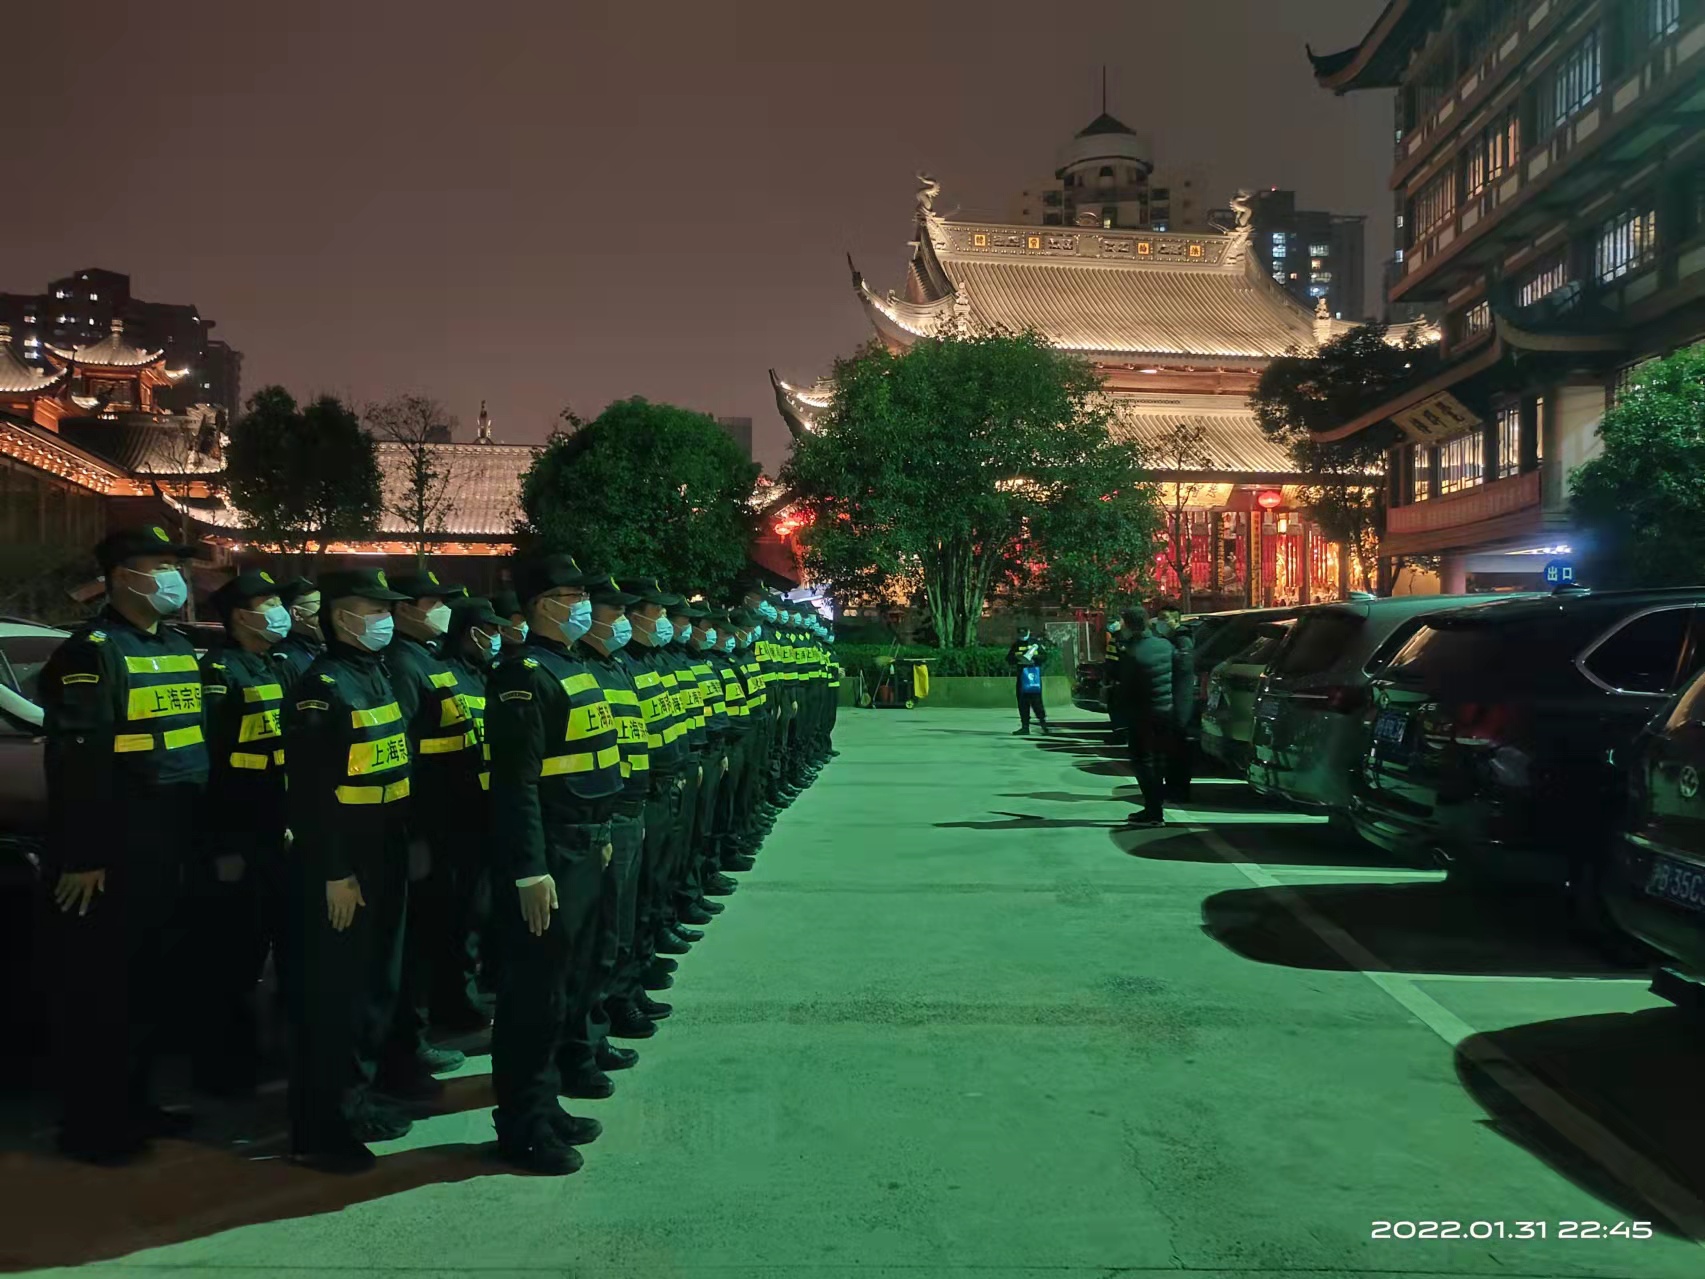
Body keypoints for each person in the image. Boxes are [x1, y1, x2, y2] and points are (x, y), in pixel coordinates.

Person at [37, 525, 208, 1164]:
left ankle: (136, 1105)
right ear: (121, 577)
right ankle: (92, 1125)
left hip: (170, 837)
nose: (174, 578)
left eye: (175, 565)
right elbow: (78, 762)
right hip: (117, 845)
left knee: (150, 985)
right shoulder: (93, 653)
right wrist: (84, 855)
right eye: (159, 565)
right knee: (102, 991)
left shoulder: (177, 646)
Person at [485, 553, 616, 1175]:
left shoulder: (574, 666)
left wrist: (603, 830)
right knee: (532, 994)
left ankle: (546, 1102)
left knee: (565, 983)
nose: (584, 606)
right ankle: (522, 1124)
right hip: (552, 854)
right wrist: (529, 869)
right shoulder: (523, 675)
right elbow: (516, 783)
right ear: (541, 605)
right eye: (572, 596)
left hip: (584, 842)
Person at [281, 567, 415, 1173]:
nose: (385, 618)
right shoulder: (323, 687)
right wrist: (334, 871)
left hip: (384, 852)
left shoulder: (375, 674)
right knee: (334, 995)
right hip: (343, 863)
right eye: (373, 608)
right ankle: (320, 1128)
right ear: (341, 616)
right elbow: (310, 794)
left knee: (373, 987)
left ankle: (355, 1102)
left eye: (387, 608)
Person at [193, 568, 294, 1098]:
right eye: (267, 604)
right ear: (239, 616)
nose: (279, 612)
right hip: (240, 834)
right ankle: (224, 1067)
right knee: (232, 957)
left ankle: (269, 1049)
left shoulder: (276, 665)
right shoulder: (220, 672)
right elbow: (209, 766)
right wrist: (222, 845)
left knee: (278, 947)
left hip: (277, 828)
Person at [376, 570, 475, 1099]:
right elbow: (403, 753)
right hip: (422, 826)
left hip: (448, 822)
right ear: (405, 609)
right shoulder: (400, 665)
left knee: (434, 934)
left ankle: (418, 1035)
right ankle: (403, 1051)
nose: (442, 611)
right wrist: (412, 832)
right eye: (433, 602)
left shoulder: (427, 659)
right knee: (412, 943)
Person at [570, 575, 648, 1093]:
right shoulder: (576, 673)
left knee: (621, 924)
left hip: (630, 807)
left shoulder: (616, 666)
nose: (620, 620)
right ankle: (588, 1036)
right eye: (611, 611)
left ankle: (612, 1009)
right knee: (597, 938)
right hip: (598, 819)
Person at [619, 579, 691, 1035]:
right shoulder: (620, 666)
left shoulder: (650, 661)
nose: (663, 622)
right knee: (627, 904)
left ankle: (640, 968)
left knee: (653, 883)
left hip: (661, 785)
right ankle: (621, 992)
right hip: (628, 803)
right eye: (658, 613)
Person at [434, 594, 509, 1029]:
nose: (496, 638)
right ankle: (453, 1001)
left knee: (478, 910)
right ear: (468, 632)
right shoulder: (444, 676)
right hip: (451, 815)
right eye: (490, 630)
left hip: (483, 809)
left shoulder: (484, 675)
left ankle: (471, 988)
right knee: (456, 915)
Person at [1113, 608, 1174, 827]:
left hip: (1142, 714)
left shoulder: (1132, 652)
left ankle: (1153, 812)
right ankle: (1155, 808)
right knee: (1159, 761)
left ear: (1129, 625)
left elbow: (1126, 686)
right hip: (1166, 710)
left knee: (1142, 761)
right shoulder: (1165, 645)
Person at [1152, 600, 1196, 803]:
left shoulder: (1182, 639)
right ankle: (1171, 787)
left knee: (1178, 748)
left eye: (1165, 619)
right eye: (1159, 618)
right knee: (1169, 747)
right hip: (1170, 699)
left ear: (1176, 620)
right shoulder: (1169, 640)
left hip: (1179, 700)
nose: (1160, 622)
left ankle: (1179, 790)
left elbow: (1183, 665)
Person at [276, 578, 325, 683]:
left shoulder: (321, 652)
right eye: (319, 603)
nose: (327, 611)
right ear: (297, 613)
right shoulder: (285, 661)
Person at [1006, 627, 1051, 736]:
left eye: (1024, 633)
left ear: (1029, 632)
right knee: (1023, 702)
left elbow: (1044, 657)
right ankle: (1025, 727)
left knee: (1037, 702)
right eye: (1020, 634)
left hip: (1033, 676)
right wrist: (1018, 658)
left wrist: (1034, 657)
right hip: (1022, 676)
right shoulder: (1016, 644)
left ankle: (1044, 725)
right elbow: (1009, 659)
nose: (1022, 636)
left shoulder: (1035, 643)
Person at [1103, 614, 1127, 746]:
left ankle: (1119, 735)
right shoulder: (1135, 637)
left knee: (1116, 709)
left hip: (1118, 682)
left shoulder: (1116, 638)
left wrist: (1109, 680)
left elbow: (1111, 663)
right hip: (1132, 680)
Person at [492, 589, 529, 658]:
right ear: (502, 629)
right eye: (521, 620)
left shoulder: (534, 651)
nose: (526, 624)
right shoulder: (494, 657)